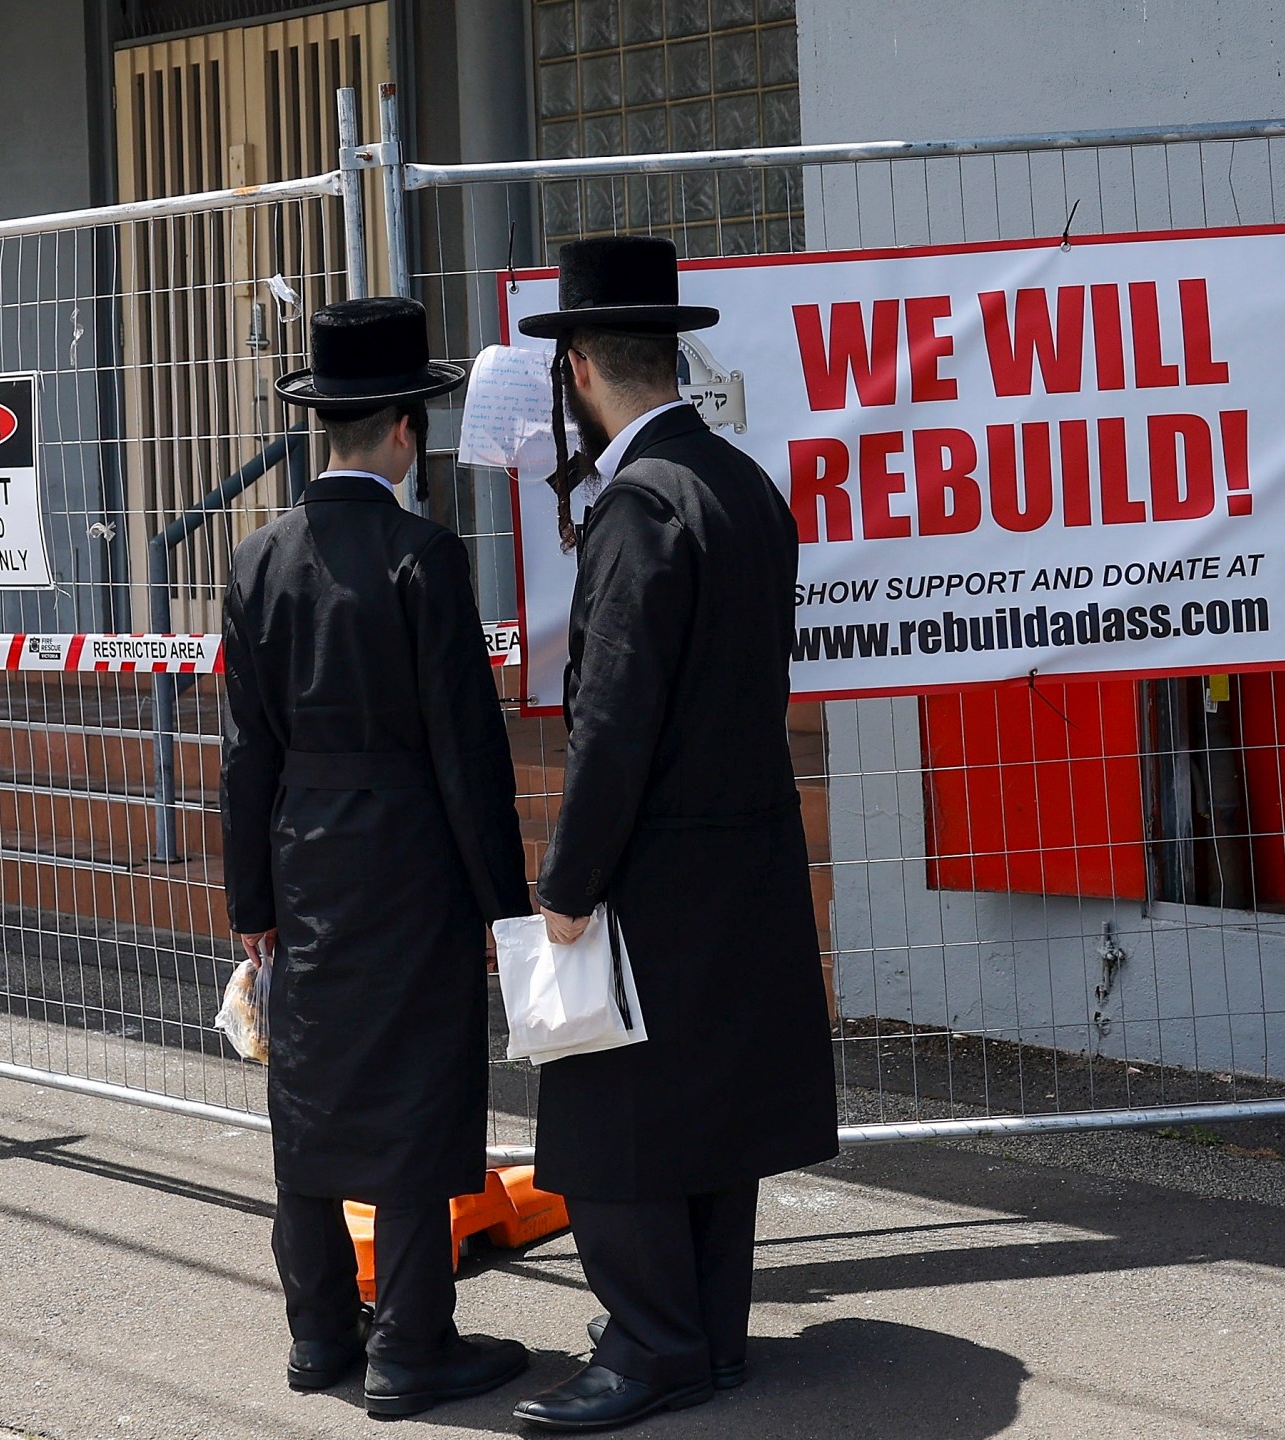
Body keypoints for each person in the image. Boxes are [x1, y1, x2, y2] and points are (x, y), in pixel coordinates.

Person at [505, 237, 838, 1432]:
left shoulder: (638, 505)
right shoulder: (742, 481)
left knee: (616, 1113)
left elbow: (614, 712)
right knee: (713, 1102)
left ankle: (650, 1345)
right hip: (744, 840)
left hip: (655, 854)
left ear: (580, 365)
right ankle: (709, 1332)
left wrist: (570, 876)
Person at [219, 296, 535, 1419]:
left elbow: (242, 752)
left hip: (300, 855)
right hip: (411, 855)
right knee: (414, 1086)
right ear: (405, 429)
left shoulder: (256, 562)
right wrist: (506, 905)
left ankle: (317, 1335)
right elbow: (467, 749)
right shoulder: (424, 557)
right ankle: (410, 1344)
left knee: (306, 1088)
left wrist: (248, 901)